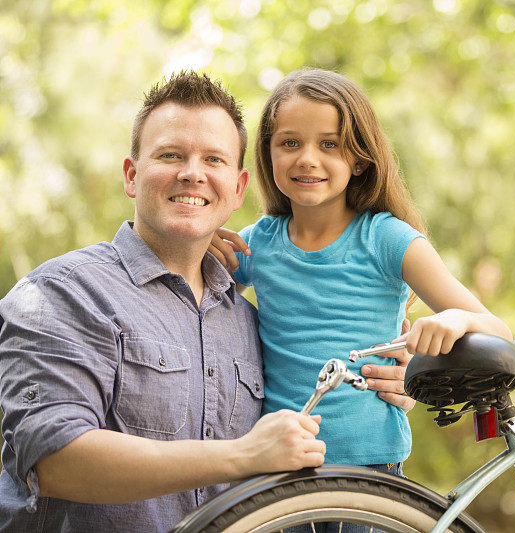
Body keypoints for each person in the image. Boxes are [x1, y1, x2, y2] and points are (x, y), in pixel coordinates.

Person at [0, 71, 413, 533]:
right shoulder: (64, 293)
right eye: (170, 155)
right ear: (132, 176)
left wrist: (388, 385)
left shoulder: (246, 320)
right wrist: (241, 454)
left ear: (237, 189)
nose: (192, 172)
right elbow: (54, 462)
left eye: (213, 159)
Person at [210, 68, 512, 491]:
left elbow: (498, 330)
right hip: (281, 466)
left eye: (329, 144)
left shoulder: (388, 239)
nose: (307, 158)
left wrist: (455, 321)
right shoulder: (256, 244)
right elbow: (198, 301)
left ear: (359, 158)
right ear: (268, 153)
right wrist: (202, 244)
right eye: (289, 143)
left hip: (371, 470)